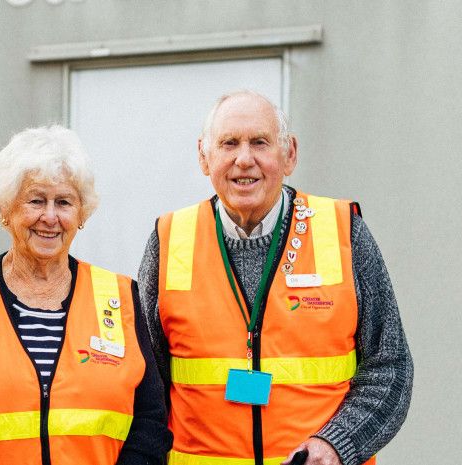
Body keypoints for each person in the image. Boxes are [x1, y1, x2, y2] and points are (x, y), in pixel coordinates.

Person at [139, 90, 413, 465]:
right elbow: (145, 389)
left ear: (290, 154)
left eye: (260, 143)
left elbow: (391, 367)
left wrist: (335, 445)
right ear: (204, 156)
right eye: (229, 144)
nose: (244, 159)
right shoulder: (170, 240)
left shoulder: (343, 231)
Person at [0, 126, 171, 465]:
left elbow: (150, 418)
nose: (50, 217)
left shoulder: (118, 297)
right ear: (6, 209)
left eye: (63, 202)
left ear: (80, 214)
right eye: (35, 200)